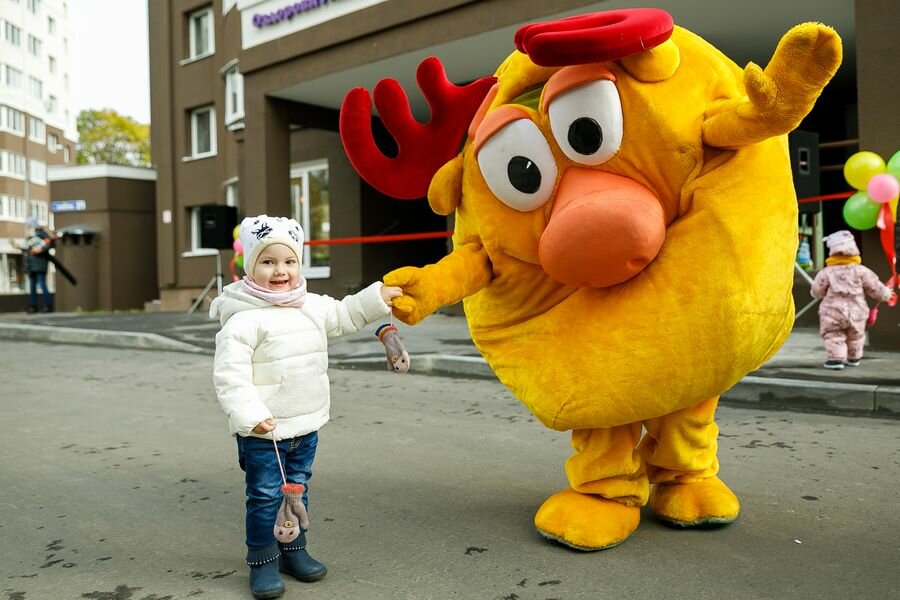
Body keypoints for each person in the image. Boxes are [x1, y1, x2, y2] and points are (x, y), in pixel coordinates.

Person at [210, 214, 401, 599]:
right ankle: (262, 562)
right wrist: (250, 415)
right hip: (264, 430)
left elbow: (345, 314)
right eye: (268, 262)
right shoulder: (243, 319)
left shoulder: (309, 304)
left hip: (306, 424)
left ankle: (294, 551)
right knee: (265, 496)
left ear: (299, 263)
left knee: (297, 491)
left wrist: (375, 298)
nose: (280, 271)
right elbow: (230, 376)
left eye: (289, 261)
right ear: (251, 265)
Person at [810, 230, 892, 370]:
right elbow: (875, 287)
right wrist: (886, 294)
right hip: (857, 311)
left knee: (833, 335)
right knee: (856, 336)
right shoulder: (862, 271)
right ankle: (854, 357)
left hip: (832, 312)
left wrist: (818, 294)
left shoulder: (826, 272)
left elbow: (817, 291)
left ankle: (835, 360)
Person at [22, 217, 54, 313]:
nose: (27, 227)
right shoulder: (30, 237)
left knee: (42, 284)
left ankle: (48, 305)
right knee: (32, 286)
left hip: (39, 264)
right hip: (31, 265)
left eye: (29, 225)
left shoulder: (41, 235)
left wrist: (38, 250)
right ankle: (33, 306)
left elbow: (47, 245)